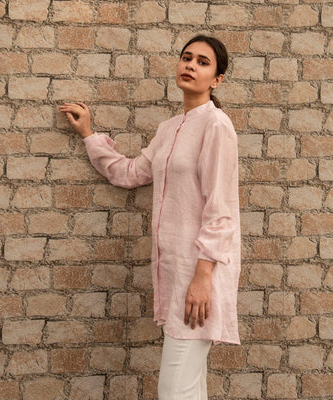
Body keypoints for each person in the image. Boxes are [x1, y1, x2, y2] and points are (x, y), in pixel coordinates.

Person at [59, 34, 241, 400]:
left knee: (174, 391)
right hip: (176, 275)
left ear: (217, 79)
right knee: (189, 390)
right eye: (186, 58)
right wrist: (89, 134)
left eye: (202, 62)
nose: (191, 65)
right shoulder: (169, 129)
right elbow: (129, 173)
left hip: (200, 278)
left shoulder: (216, 125)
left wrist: (203, 277)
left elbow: (221, 210)